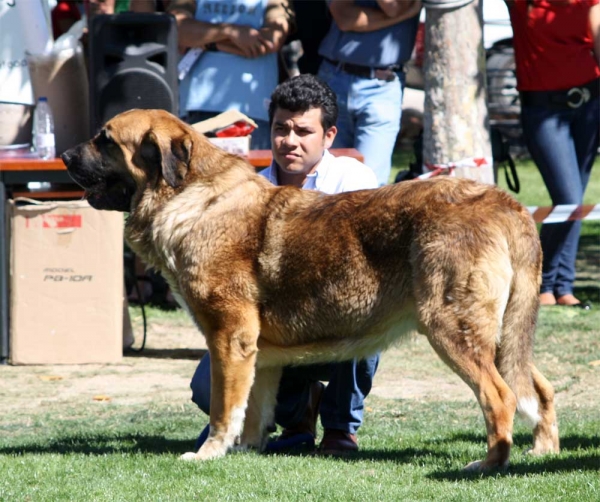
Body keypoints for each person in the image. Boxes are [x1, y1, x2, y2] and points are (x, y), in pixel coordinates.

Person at [190, 74, 380, 456]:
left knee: (366, 314)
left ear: (329, 136)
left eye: (303, 131)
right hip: (275, 322)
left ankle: (341, 428)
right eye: (281, 128)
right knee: (204, 386)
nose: (289, 141)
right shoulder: (250, 189)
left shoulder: (355, 180)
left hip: (336, 312)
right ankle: (298, 412)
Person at [507, 0, 600, 309]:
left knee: (575, 200)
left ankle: (563, 286)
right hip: (543, 110)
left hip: (589, 105)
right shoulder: (524, 4)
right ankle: (541, 281)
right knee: (569, 197)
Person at [316, 0, 421, 186]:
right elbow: (345, 18)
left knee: (370, 185)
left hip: (383, 85)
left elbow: (394, 6)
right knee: (324, 177)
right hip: (335, 75)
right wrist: (403, 16)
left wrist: (396, 13)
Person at [167, 0, 293, 150]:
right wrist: (231, 32)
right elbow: (177, 28)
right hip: (198, 105)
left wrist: (208, 42)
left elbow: (272, 39)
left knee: (249, 173)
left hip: (254, 112)